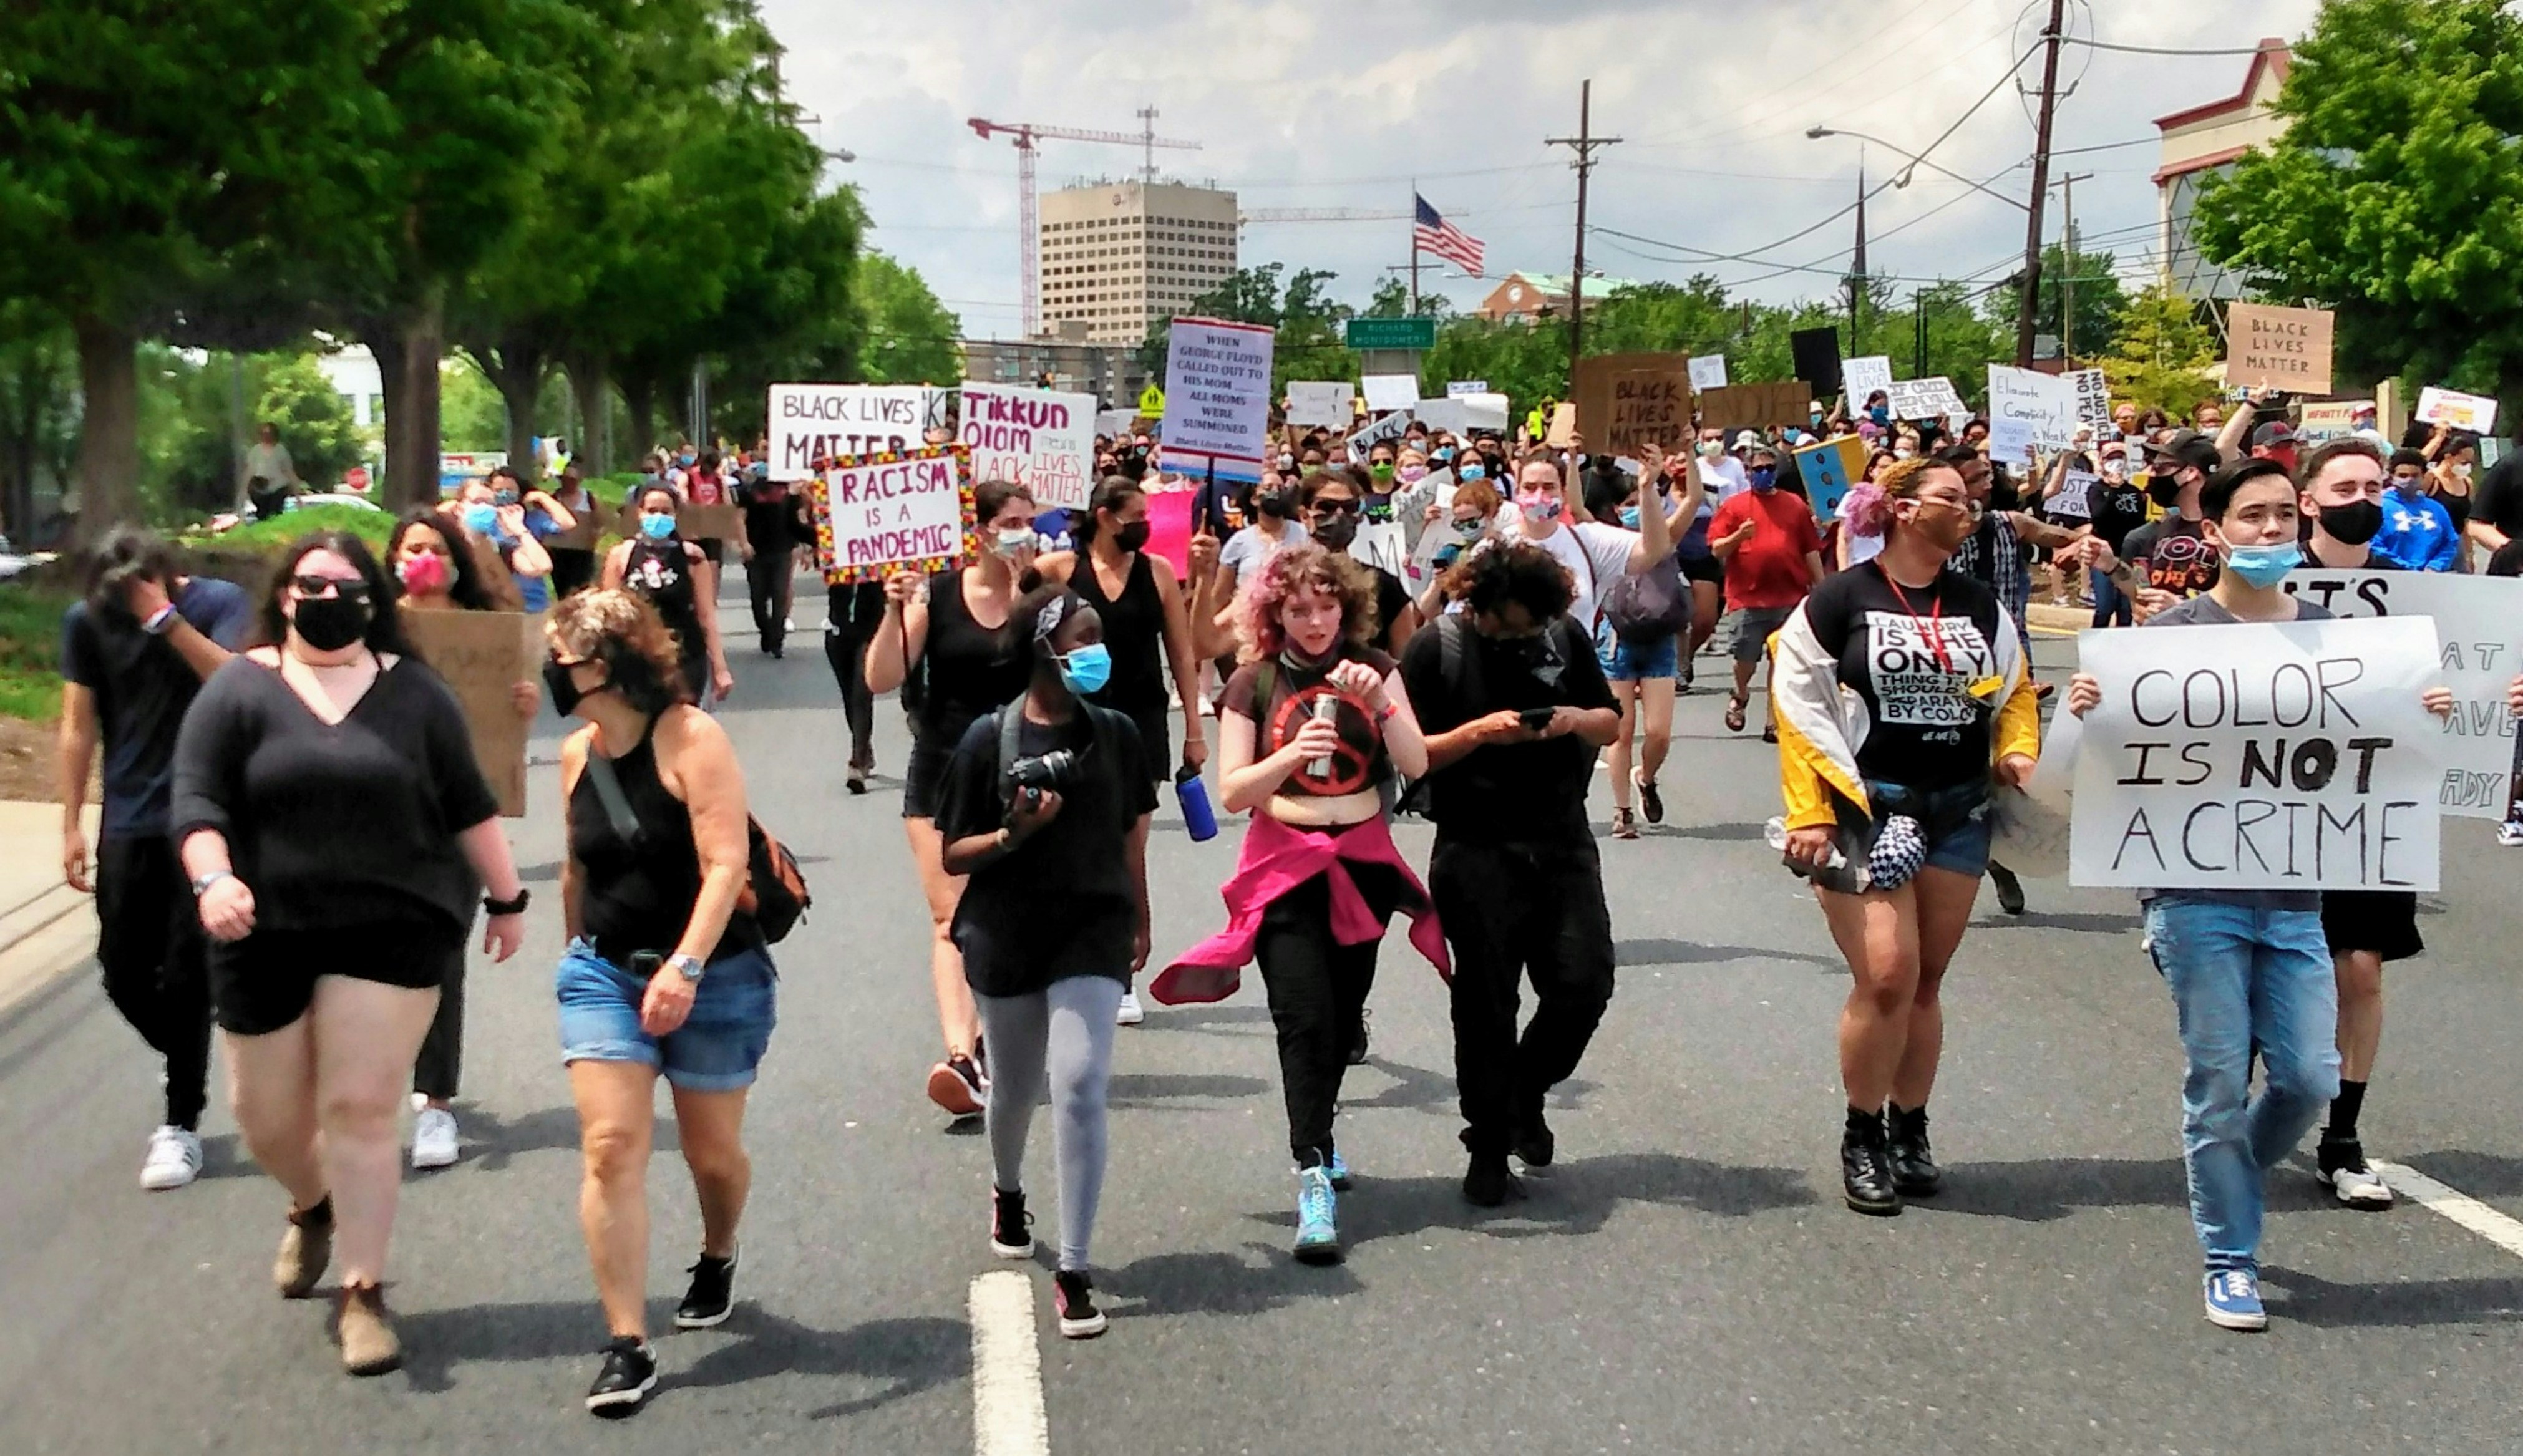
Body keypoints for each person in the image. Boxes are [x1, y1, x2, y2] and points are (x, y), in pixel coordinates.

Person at [2066, 458, 2458, 1331]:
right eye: (2254, 517)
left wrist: (2431, 707)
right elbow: (2094, 762)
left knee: (2309, 1073)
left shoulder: (2337, 641)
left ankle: (2225, 1165)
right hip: (2192, 893)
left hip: (2294, 898)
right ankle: (2230, 1255)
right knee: (2216, 1074)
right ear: (2217, 533)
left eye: (2286, 515)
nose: (2274, 531)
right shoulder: (2168, 644)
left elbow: (2384, 744)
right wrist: (2086, 707)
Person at [169, 532, 527, 1375]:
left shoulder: (418, 695)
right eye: (309, 584)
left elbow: (469, 800)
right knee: (267, 1117)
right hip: (259, 928)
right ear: (283, 596)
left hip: (393, 922)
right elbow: (196, 801)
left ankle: (362, 1290)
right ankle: (311, 1202)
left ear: (374, 597)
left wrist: (508, 898)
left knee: (361, 1108)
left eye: (344, 584)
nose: (326, 598)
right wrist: (212, 878)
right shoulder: (238, 690)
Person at [1771, 457, 2040, 1215]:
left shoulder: (1979, 604)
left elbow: (2012, 689)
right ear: (1900, 508)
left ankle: (1909, 1128)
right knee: (1887, 973)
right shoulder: (1837, 599)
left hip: (1958, 809)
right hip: (1867, 809)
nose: (1970, 511)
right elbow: (1797, 707)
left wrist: (2019, 748)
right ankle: (1862, 1135)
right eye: (1951, 499)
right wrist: (1811, 812)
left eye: (1972, 500)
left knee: (1924, 983)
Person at [1158, 545, 1442, 1262]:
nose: (1315, 622)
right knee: (1303, 1019)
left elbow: (1416, 764)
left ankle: (1322, 1123)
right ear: (1274, 614)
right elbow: (1232, 792)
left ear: (1345, 607)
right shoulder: (1255, 681)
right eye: (1298, 609)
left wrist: (1378, 704)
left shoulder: (1375, 668)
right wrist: (1290, 755)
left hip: (1363, 862)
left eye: (1326, 606)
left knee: (1343, 1018)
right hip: (1286, 867)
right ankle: (1311, 1167)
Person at [547, 590, 777, 1414]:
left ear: (603, 664)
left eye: (560, 656)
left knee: (712, 1155)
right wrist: (575, 950)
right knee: (611, 1146)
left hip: (713, 973)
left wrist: (683, 966)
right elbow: (578, 864)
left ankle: (718, 1248)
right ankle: (627, 1342)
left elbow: (726, 866)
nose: (550, 670)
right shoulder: (577, 754)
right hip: (606, 972)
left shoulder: (693, 739)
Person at [936, 586, 1155, 1340]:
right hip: (1006, 929)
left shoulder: (1118, 734)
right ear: (1043, 648)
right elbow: (953, 851)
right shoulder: (986, 741)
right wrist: (1012, 835)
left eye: (1101, 636)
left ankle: (1076, 1268)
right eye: (1082, 637)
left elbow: (1131, 830)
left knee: (1082, 1083)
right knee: (1018, 1090)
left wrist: (1141, 911)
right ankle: (1006, 1188)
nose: (1097, 651)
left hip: (1092, 927)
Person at [1401, 540, 1621, 1206]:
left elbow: (1610, 721)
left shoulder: (1564, 633)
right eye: (1513, 624)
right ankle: (1489, 1139)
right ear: (1482, 606)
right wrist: (1477, 734)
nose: (1526, 636)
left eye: (1535, 624)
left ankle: (1526, 1090)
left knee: (1585, 984)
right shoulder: (1436, 648)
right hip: (1475, 846)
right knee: (1486, 1002)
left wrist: (1575, 721)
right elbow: (1406, 757)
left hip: (1563, 840)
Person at [59, 528, 251, 1190]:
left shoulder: (217, 603)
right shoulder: (88, 624)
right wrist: (70, 824)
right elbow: (78, 724)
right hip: (129, 820)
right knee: (121, 970)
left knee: (189, 971)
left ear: (169, 572)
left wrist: (163, 621)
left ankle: (180, 1125)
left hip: (207, 816)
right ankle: (185, 1054)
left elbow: (236, 680)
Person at [865, 480, 1040, 1117]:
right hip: (943, 771)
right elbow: (881, 677)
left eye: (1029, 519)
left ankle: (999, 1037)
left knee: (1014, 919)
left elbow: (1069, 673)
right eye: (1010, 521)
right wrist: (892, 610)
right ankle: (961, 1056)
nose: (1021, 531)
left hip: (1024, 771)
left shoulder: (1042, 591)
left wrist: (1031, 598)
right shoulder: (937, 593)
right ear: (981, 530)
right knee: (951, 920)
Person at [388, 508, 540, 1169]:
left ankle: (436, 1102)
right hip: (376, 812)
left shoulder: (488, 636)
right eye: (411, 547)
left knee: (441, 949)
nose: (422, 557)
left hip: (457, 816)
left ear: (455, 560)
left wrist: (521, 706)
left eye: (434, 547)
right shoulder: (368, 628)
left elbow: (502, 732)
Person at [1034, 476, 1209, 1026]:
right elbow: (1019, 628)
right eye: (1136, 516)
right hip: (1073, 721)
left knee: (1128, 851)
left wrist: (1195, 729)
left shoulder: (1157, 573)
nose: (1146, 525)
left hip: (1138, 724)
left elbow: (1182, 653)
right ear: (1106, 517)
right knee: (1069, 844)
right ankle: (1063, 960)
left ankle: (1122, 967)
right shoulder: (1060, 572)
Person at [1582, 445, 1695, 838]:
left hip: (1659, 641)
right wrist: (1571, 457)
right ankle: (1622, 812)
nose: (1634, 508)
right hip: (1617, 641)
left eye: (1640, 501)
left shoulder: (1665, 537)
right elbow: (1575, 509)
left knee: (1660, 733)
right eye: (1627, 503)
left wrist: (1690, 450)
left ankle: (1645, 777)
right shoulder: (1605, 541)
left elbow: (1695, 497)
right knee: (1621, 730)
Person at [1708, 445, 1825, 740]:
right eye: (1758, 470)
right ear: (1748, 473)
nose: (1765, 475)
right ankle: (1741, 693)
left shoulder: (1795, 505)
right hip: (1748, 597)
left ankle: (1774, 720)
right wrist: (1739, 536)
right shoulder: (1735, 506)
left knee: (1783, 662)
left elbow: (1809, 548)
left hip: (1789, 596)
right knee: (1745, 659)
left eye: (1770, 469)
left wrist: (1822, 588)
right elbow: (1716, 549)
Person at [605, 486, 733, 706]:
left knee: (681, 726)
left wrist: (720, 669)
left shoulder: (692, 557)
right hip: (638, 658)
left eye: (666, 512)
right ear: (639, 513)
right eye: (652, 511)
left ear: (676, 515)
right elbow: (607, 613)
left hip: (684, 658)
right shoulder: (621, 556)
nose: (658, 517)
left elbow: (706, 616)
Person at [2084, 442, 2149, 627]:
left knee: (2126, 609)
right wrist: (2112, 490)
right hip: (2104, 556)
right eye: (2111, 459)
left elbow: (2140, 521)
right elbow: (2098, 516)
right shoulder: (2096, 490)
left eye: (2120, 458)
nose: (2116, 462)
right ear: (2103, 461)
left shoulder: (2133, 491)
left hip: (2128, 556)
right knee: (2105, 606)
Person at [2371, 447, 2462, 572]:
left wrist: (2435, 566)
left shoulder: (2436, 509)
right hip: (2391, 576)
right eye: (2403, 476)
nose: (2409, 480)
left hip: (2431, 578)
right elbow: (2373, 544)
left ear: (2423, 476)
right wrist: (2403, 568)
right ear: (2392, 477)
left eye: (2415, 476)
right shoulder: (2379, 507)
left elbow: (2450, 542)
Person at [542, 462, 603, 599]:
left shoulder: (589, 499)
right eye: (565, 479)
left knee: (581, 586)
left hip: (583, 552)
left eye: (573, 480)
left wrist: (595, 536)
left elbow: (600, 522)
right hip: (559, 551)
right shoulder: (554, 498)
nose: (569, 483)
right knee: (562, 587)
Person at [241, 422, 299, 518]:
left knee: (274, 514)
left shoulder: (281, 450)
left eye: (269, 433)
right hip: (260, 488)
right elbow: (249, 471)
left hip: (278, 487)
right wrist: (244, 490)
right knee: (262, 515)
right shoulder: (256, 451)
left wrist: (298, 495)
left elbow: (289, 472)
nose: (266, 436)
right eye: (264, 433)